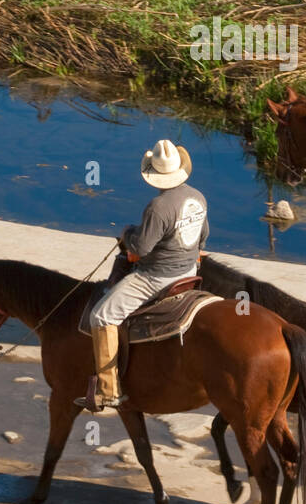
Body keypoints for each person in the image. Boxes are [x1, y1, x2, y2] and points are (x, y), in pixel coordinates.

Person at [76, 139, 208, 410]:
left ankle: (109, 391)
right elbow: (203, 236)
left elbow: (141, 248)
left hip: (157, 277)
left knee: (101, 316)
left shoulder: (158, 207)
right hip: (188, 270)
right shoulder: (197, 196)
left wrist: (127, 233)